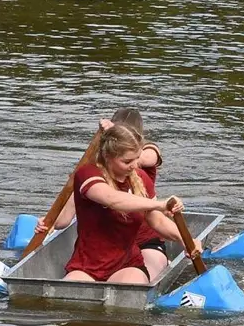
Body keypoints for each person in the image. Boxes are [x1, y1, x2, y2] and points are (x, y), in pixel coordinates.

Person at [55, 119, 198, 285]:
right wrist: (159, 204)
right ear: (108, 156)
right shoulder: (87, 174)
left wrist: (186, 240)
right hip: (87, 266)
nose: (134, 166)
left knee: (130, 289)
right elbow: (112, 199)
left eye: (136, 159)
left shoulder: (140, 178)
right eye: (127, 161)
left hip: (127, 264)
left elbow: (156, 220)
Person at [39, 108, 166, 277]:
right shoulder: (90, 175)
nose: (134, 164)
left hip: (142, 239)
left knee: (143, 274)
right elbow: (67, 216)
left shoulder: (145, 153)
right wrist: (49, 224)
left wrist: (124, 150)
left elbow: (148, 158)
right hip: (107, 243)